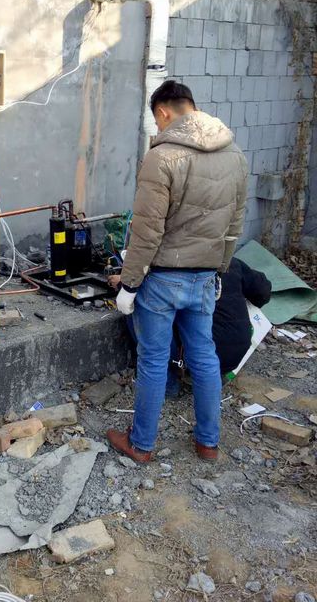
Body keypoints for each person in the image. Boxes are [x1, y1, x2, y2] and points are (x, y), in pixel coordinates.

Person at [107, 80, 248, 462]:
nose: (158, 128)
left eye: (157, 121)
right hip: (204, 276)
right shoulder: (234, 155)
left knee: (154, 360)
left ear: (164, 112)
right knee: (204, 356)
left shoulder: (162, 157)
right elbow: (234, 224)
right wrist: (219, 269)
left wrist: (129, 285)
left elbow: (146, 230)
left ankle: (141, 445)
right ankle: (208, 443)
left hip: (163, 279)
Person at [109, 257, 272, 392]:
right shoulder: (231, 262)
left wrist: (125, 283)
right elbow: (263, 292)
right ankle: (212, 380)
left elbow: (150, 292)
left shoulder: (175, 269)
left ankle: (169, 383)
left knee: (138, 307)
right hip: (238, 351)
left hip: (196, 354)